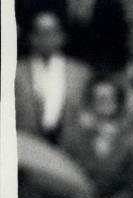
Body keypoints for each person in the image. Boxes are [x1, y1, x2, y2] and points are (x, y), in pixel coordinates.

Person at [15, 11, 92, 144]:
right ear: (31, 38)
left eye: (51, 32)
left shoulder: (80, 72)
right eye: (40, 33)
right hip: (27, 143)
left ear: (61, 37)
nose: (46, 38)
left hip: (69, 145)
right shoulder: (16, 72)